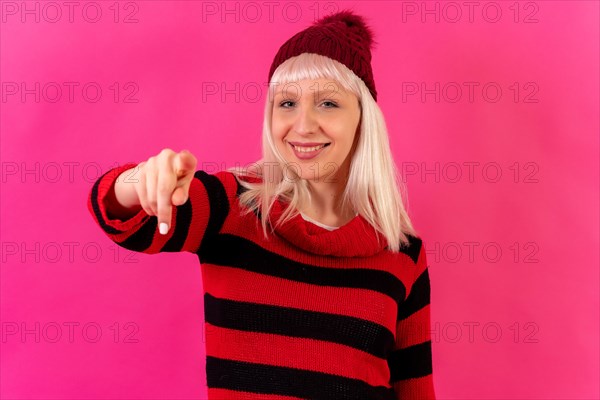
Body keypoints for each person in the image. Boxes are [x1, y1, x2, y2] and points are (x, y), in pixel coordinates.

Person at [88, 9, 436, 400]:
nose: (303, 125)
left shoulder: (402, 251)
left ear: (363, 119)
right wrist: (139, 182)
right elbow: (121, 218)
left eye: (328, 104)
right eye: (287, 103)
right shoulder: (232, 207)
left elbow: (416, 389)